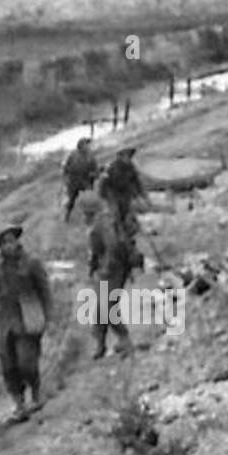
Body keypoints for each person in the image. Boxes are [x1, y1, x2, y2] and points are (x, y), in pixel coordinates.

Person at [0, 224, 53, 421]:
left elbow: (45, 290)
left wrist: (48, 316)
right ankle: (19, 404)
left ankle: (37, 393)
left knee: (26, 362)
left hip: (27, 315)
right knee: (9, 366)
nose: (10, 245)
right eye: (4, 243)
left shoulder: (31, 262)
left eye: (12, 240)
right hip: (4, 320)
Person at [79, 194, 133, 360]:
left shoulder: (99, 225)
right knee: (100, 308)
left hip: (111, 269)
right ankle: (100, 344)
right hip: (115, 267)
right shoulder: (107, 219)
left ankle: (124, 339)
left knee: (107, 306)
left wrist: (103, 267)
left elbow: (109, 247)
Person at [96, 146, 148, 230]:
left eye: (129, 156)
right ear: (120, 156)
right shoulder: (111, 168)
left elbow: (137, 182)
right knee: (115, 215)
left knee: (128, 215)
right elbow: (104, 184)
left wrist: (143, 195)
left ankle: (127, 233)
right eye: (126, 156)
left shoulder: (131, 167)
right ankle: (115, 232)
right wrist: (104, 197)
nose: (128, 158)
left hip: (125, 195)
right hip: (113, 194)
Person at [61, 137, 99, 222]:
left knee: (89, 200)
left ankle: (89, 218)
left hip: (86, 182)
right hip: (73, 182)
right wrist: (66, 179)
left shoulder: (91, 157)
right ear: (81, 146)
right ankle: (67, 215)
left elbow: (96, 171)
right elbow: (65, 168)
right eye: (86, 144)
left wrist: (93, 174)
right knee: (71, 200)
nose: (89, 146)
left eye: (88, 144)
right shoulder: (72, 155)